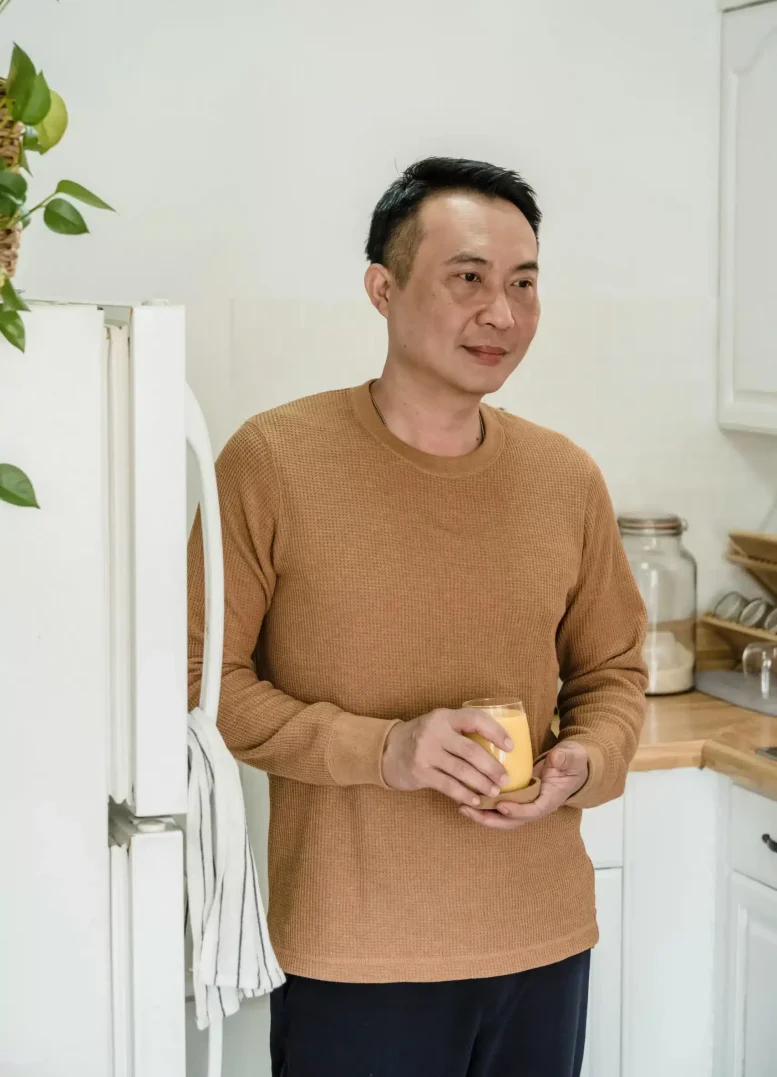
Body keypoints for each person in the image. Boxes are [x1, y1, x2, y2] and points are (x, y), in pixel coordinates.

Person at [187, 156, 647, 1077]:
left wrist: (583, 760)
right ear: (383, 288)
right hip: (354, 953)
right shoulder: (272, 461)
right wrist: (383, 749)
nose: (502, 314)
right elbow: (199, 685)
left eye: (523, 284)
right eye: (467, 278)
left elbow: (614, 674)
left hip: (543, 940)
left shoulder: (566, 478)